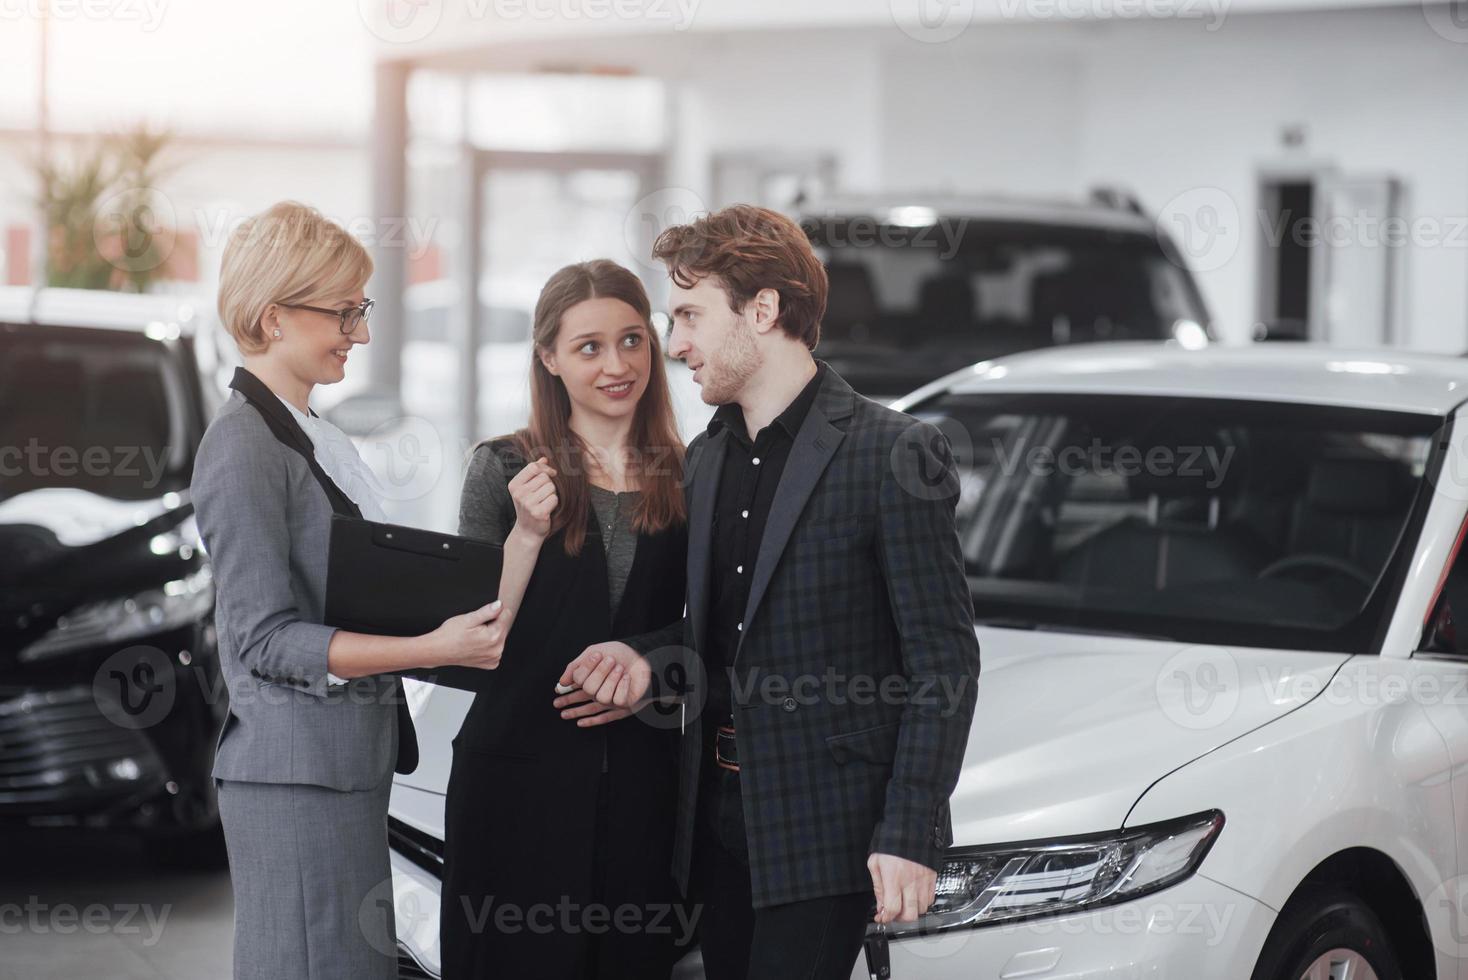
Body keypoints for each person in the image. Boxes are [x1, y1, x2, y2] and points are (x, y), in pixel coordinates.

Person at [562, 205, 982, 980]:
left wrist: (909, 831)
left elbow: (943, 663)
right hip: (713, 821)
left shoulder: (893, 451)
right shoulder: (708, 458)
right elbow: (721, 640)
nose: (674, 343)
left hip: (827, 829)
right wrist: (644, 655)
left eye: (689, 315)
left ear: (763, 310)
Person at [192, 201, 507, 980]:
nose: (360, 334)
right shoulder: (242, 449)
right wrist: (430, 647)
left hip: (337, 768)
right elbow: (265, 641)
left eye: (359, 311)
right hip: (295, 777)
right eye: (344, 313)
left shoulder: (303, 433)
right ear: (273, 317)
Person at [436, 259, 693, 979]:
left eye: (632, 340)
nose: (618, 365)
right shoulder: (501, 469)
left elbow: (717, 630)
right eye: (589, 348)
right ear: (548, 357)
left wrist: (645, 658)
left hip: (641, 794)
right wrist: (525, 535)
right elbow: (470, 643)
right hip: (514, 787)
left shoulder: (690, 475)